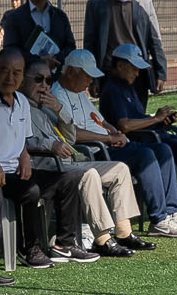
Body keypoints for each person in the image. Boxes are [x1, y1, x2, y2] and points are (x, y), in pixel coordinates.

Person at [0, 48, 63, 274]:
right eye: (4, 71)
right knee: (30, 190)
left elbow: (21, 140)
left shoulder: (22, 101)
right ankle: (29, 248)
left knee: (61, 180)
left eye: (17, 73)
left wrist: (24, 157)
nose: (10, 77)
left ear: (23, 75)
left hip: (12, 170)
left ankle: (65, 242)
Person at [99, 43, 177, 224]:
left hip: (157, 134)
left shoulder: (128, 86)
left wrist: (160, 120)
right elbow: (125, 125)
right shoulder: (113, 90)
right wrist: (156, 119)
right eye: (134, 68)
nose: (137, 73)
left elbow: (136, 118)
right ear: (120, 66)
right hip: (149, 139)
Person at [24, 56, 138, 258]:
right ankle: (102, 239)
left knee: (119, 168)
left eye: (48, 81)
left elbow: (71, 137)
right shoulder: (20, 106)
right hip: (49, 166)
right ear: (23, 80)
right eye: (38, 79)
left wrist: (59, 110)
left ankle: (124, 232)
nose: (44, 86)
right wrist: (50, 144)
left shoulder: (46, 106)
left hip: (71, 160)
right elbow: (20, 142)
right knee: (90, 174)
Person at [53, 49, 167, 244]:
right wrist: (107, 139)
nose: (90, 81)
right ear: (71, 72)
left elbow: (100, 120)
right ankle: (106, 237)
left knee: (130, 165)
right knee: (145, 155)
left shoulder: (80, 92)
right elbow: (73, 134)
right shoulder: (56, 95)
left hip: (102, 146)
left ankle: (124, 232)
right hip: (89, 152)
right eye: (87, 75)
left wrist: (115, 133)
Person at [83, 0, 167, 94]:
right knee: (112, 114)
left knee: (139, 114)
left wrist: (161, 73)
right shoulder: (95, 5)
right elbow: (90, 43)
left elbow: (155, 40)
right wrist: (93, 78)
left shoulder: (145, 2)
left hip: (137, 71)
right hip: (109, 72)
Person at [0, 0, 76, 62]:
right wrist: (39, 60)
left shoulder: (60, 16)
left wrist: (56, 58)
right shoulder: (14, 17)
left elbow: (70, 46)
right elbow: (10, 50)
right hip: (28, 75)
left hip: (58, 73)